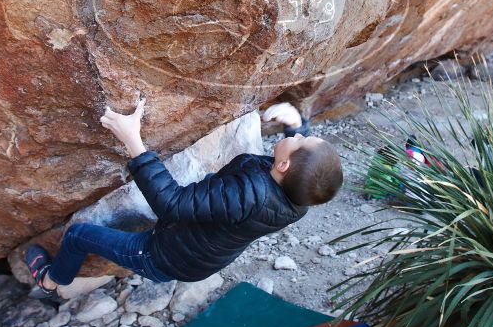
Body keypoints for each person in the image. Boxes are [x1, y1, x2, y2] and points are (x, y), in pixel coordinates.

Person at [25, 101, 343, 294]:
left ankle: (52, 283)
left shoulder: (246, 196)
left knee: (79, 234)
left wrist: (133, 139)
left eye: (300, 139)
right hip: (198, 254)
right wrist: (295, 127)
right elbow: (304, 170)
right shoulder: (298, 197)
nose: (298, 134)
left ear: (285, 165)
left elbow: (172, 204)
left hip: (162, 257)